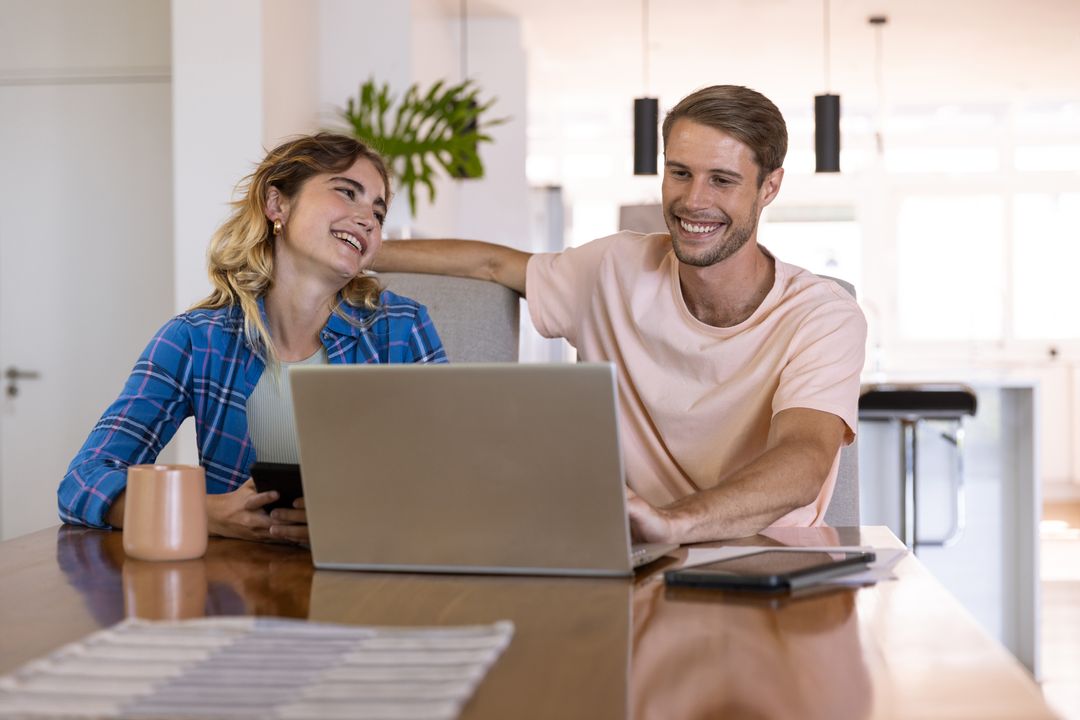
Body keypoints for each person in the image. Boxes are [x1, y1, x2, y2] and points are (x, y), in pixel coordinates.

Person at [374, 85, 866, 544]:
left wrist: (675, 521)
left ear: (769, 188)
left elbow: (803, 460)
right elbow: (494, 263)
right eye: (680, 173)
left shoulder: (823, 316)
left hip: (773, 557)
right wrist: (351, 250)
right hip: (641, 553)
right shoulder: (613, 268)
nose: (694, 200)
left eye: (722, 180)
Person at [60, 133, 447, 544]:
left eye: (378, 212)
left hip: (364, 588)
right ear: (277, 204)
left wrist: (355, 519)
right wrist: (202, 512)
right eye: (347, 193)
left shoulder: (401, 329)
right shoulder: (195, 339)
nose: (368, 218)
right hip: (233, 589)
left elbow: (451, 482)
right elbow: (83, 481)